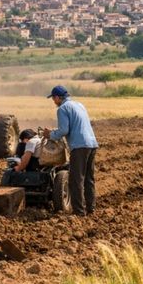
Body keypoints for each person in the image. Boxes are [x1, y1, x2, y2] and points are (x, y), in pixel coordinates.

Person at [43, 86, 98, 216]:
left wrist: (50, 135)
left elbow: (64, 130)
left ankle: (79, 212)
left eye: (53, 99)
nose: (54, 102)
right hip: (92, 143)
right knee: (89, 178)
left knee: (75, 180)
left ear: (57, 97)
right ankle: (91, 208)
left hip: (79, 146)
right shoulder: (79, 105)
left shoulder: (62, 109)